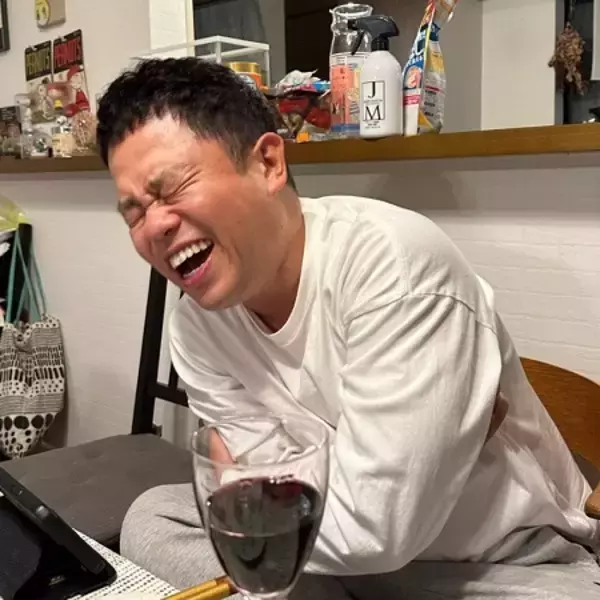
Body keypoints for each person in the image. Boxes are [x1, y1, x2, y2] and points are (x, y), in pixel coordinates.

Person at [97, 58, 600, 599]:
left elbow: (374, 528)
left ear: (268, 163)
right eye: (134, 213)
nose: (155, 225)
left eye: (172, 188)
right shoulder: (196, 329)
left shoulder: (395, 268)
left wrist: (257, 482)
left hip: (500, 566)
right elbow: (267, 491)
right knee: (152, 516)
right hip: (327, 561)